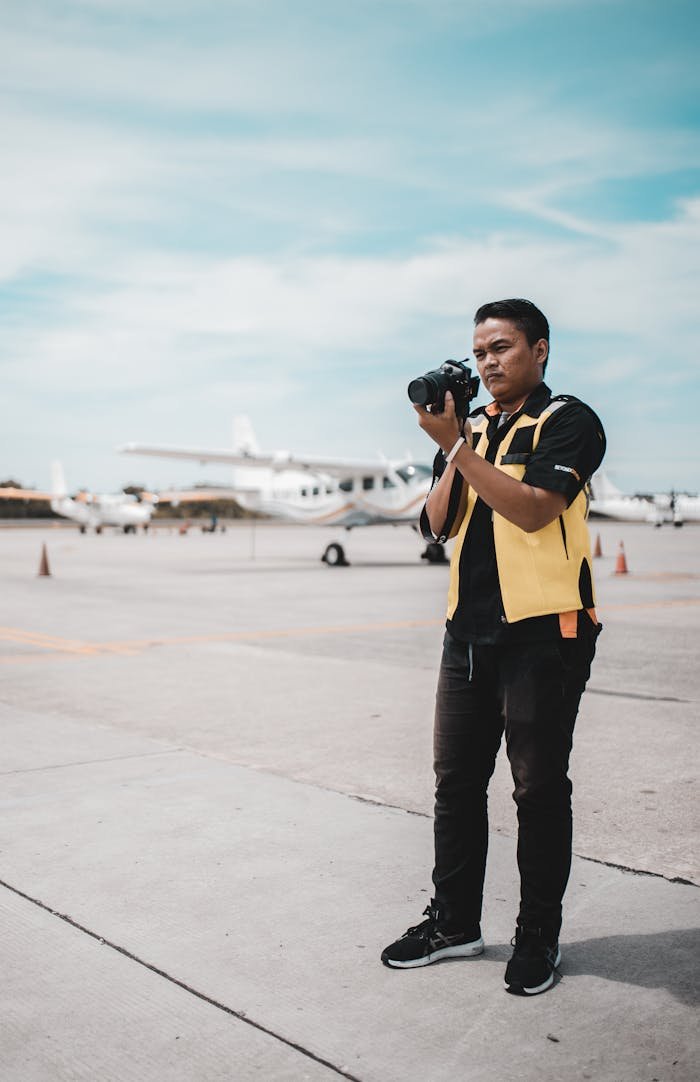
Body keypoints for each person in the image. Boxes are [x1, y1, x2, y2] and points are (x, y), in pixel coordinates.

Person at [381, 298, 606, 995]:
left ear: (539, 350)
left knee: (537, 791)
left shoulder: (567, 420)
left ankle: (539, 936)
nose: (488, 363)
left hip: (544, 636)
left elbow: (536, 511)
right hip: (467, 636)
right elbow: (436, 526)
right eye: (479, 352)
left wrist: (455, 448)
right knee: (455, 785)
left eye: (502, 348)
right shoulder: (472, 429)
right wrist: (457, 446)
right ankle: (455, 922)